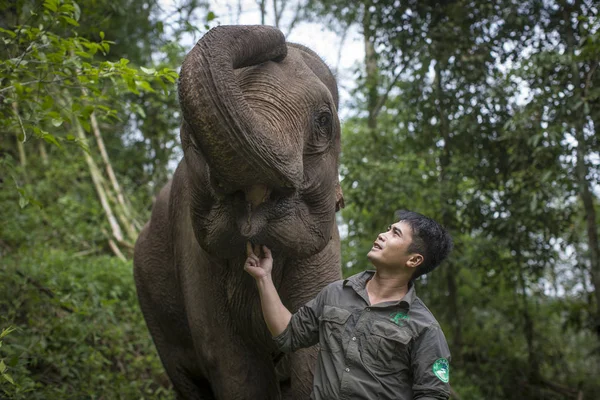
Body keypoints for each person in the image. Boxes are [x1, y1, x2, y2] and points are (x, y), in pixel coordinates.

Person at [244, 210, 453, 400]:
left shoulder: (425, 327)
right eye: (388, 229)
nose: (383, 235)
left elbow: (433, 394)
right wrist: (264, 278)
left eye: (395, 234)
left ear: (414, 260)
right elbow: (288, 333)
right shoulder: (336, 293)